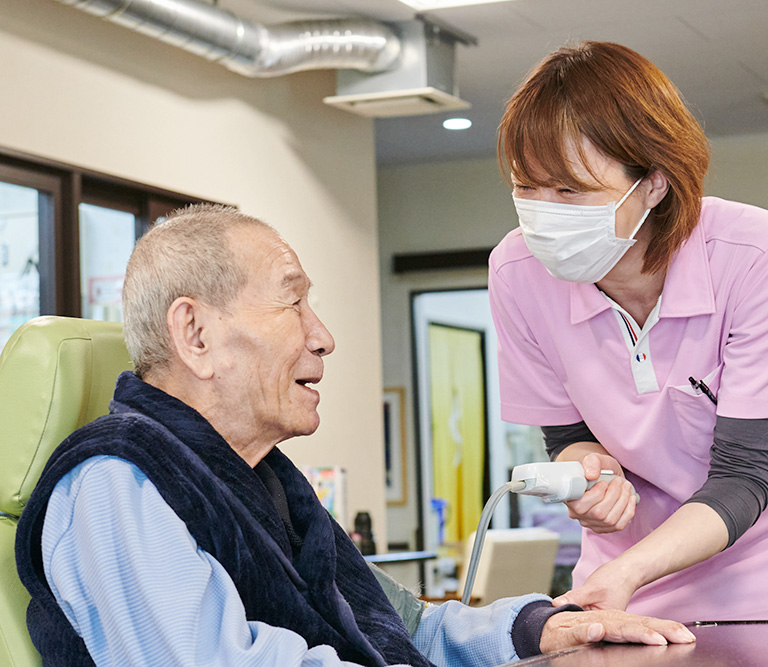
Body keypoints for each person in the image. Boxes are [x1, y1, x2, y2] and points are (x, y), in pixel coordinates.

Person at [14, 204, 696, 665]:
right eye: (293, 301)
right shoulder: (115, 484)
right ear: (195, 334)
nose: (323, 336)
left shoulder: (265, 481)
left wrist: (540, 627)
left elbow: (403, 625)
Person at [489, 41, 768, 622]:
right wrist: (593, 478)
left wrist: (630, 570)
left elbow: (744, 474)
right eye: (525, 187)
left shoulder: (757, 252)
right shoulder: (516, 273)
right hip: (625, 566)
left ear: (653, 184)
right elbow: (568, 435)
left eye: (568, 190)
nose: (543, 213)